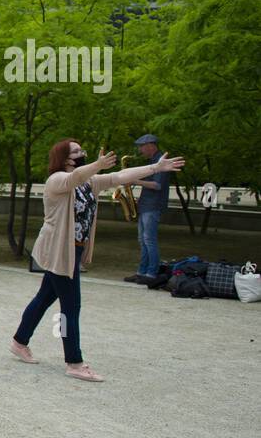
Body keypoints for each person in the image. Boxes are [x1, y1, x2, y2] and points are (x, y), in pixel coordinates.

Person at [10, 140, 184, 382]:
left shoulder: (88, 182)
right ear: (65, 158)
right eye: (77, 151)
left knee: (44, 298)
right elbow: (76, 177)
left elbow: (119, 176)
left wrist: (155, 168)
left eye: (82, 150)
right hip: (60, 251)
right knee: (70, 308)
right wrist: (97, 164)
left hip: (72, 250)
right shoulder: (57, 180)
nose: (82, 154)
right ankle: (74, 362)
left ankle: (19, 342)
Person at [125, 133, 173, 284]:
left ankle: (151, 274)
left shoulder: (161, 162)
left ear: (151, 145)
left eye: (142, 147)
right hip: (146, 205)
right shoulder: (152, 162)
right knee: (142, 240)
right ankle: (141, 272)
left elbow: (157, 185)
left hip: (153, 206)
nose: (140, 150)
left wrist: (135, 181)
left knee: (149, 240)